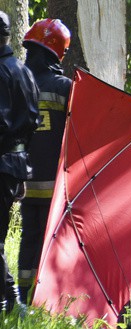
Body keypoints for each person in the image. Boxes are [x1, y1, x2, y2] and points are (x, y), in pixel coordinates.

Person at [16, 18, 71, 304]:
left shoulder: (17, 83)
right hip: (55, 187)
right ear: (57, 52)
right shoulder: (65, 87)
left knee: (30, 237)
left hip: (23, 181)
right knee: (55, 241)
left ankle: (24, 298)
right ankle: (50, 299)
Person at [0, 11, 40, 313]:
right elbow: (32, 124)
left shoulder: (3, 72)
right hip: (16, 164)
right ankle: (12, 300)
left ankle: (4, 304)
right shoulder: (24, 72)